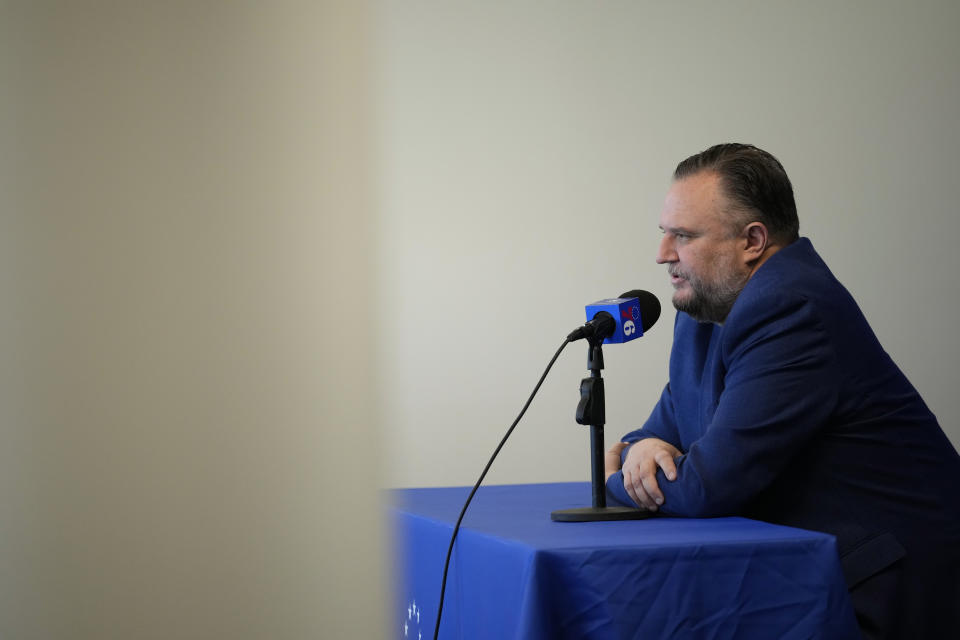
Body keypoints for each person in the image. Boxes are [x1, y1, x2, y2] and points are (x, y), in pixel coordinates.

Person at [604, 143, 960, 639]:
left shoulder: (791, 308)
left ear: (752, 240)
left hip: (892, 588)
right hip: (809, 577)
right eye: (665, 233)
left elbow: (709, 483)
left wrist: (616, 480)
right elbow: (663, 432)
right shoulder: (708, 308)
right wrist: (640, 448)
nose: (662, 254)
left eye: (683, 236)